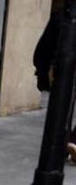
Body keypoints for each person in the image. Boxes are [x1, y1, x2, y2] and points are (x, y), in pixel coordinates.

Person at [32, 10, 76, 162]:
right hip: (62, 71)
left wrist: (42, 70)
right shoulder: (60, 17)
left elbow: (42, 49)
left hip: (59, 71)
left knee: (60, 112)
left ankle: (62, 147)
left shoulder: (60, 16)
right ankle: (71, 142)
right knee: (62, 111)